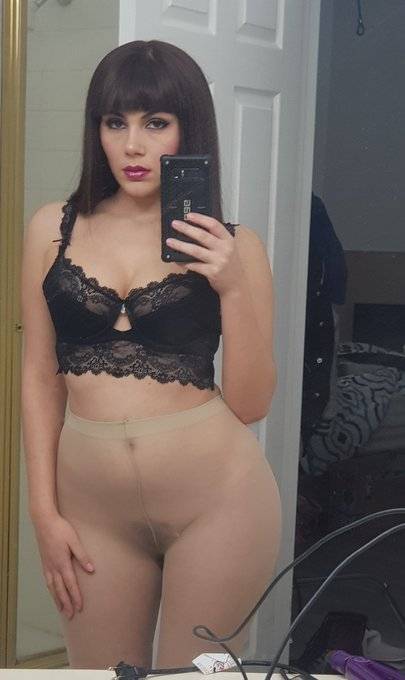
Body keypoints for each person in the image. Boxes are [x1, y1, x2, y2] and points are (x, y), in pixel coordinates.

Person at [20, 39, 281, 671]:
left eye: (156, 122)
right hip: (93, 512)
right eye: (116, 122)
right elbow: (39, 379)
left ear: (189, 130)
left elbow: (251, 404)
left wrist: (232, 285)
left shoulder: (236, 247)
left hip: (218, 503)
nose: (132, 146)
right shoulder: (51, 229)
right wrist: (44, 513)